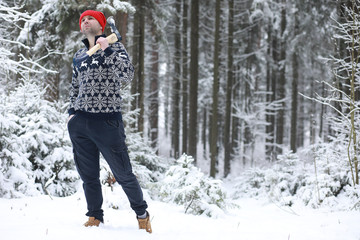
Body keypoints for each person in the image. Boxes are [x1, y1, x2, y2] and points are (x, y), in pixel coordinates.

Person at [67, 10, 152, 233]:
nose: (86, 21)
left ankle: (142, 214)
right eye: (83, 19)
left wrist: (106, 49)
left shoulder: (114, 47)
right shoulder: (78, 55)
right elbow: (74, 86)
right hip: (81, 122)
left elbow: (127, 75)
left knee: (123, 173)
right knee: (89, 176)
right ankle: (95, 215)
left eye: (90, 18)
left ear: (101, 24)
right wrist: (71, 113)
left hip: (107, 122)